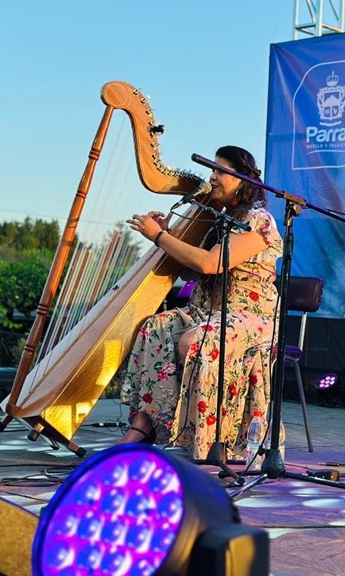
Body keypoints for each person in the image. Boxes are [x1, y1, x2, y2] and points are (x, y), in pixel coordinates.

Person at [116, 145, 283, 461]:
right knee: (155, 327)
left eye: (220, 171)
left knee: (196, 340)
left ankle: (208, 439)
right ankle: (144, 426)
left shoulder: (259, 221)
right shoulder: (217, 218)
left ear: (243, 178)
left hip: (249, 315)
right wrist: (167, 232)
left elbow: (210, 264)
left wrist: (158, 238)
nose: (213, 177)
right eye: (213, 170)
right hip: (207, 310)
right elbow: (193, 265)